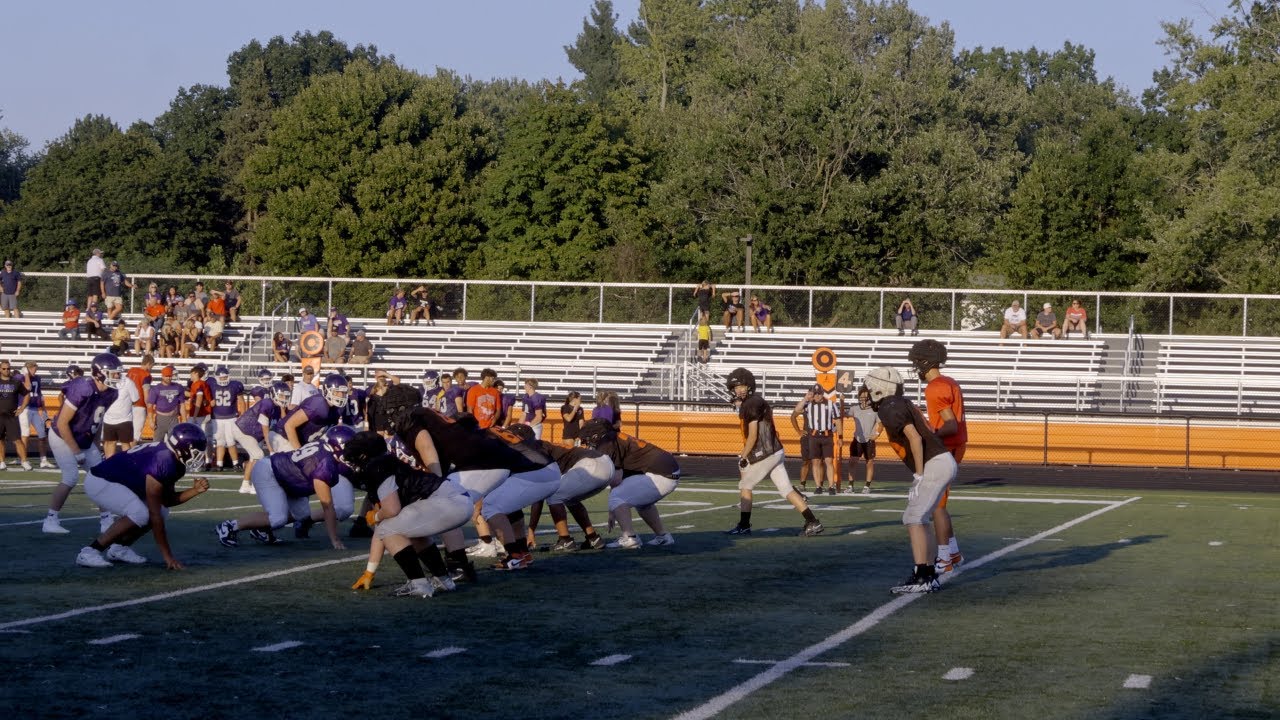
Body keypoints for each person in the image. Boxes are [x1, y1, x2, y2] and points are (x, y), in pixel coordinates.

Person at [862, 366, 957, 594]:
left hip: (935, 464)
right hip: (942, 460)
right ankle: (930, 573)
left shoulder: (888, 406)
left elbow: (914, 438)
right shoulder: (899, 402)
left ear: (878, 388)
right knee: (920, 518)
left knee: (913, 517)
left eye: (868, 387)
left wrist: (919, 474)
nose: (865, 392)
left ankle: (922, 575)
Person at [344, 431, 470, 597]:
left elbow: (390, 511)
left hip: (447, 501)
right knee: (411, 532)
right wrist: (370, 572)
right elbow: (385, 524)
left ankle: (419, 585)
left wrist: (375, 516)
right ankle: (444, 581)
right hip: (456, 500)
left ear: (363, 455)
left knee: (389, 527)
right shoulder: (387, 462)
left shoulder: (377, 466)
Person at [75, 424, 210, 570]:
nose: (200, 455)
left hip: (121, 482)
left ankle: (119, 549)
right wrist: (168, 557)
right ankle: (89, 552)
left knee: (162, 511)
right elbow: (154, 515)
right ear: (182, 448)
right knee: (140, 513)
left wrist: (195, 491)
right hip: (100, 481)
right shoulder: (162, 461)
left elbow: (166, 500)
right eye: (196, 451)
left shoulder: (174, 461)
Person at [215, 427, 352, 550]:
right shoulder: (324, 465)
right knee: (278, 518)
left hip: (288, 478)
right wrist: (335, 540)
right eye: (350, 448)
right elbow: (327, 507)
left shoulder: (324, 449)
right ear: (336, 447)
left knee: (302, 514)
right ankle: (230, 526)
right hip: (270, 472)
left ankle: (261, 530)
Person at [724, 368, 824, 537]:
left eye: (741, 386)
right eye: (735, 387)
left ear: (749, 385)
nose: (738, 390)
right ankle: (812, 521)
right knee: (786, 489)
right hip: (775, 451)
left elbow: (753, 435)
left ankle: (744, 525)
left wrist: (743, 455)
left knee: (745, 486)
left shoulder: (751, 404)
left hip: (765, 453)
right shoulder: (754, 401)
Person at [43, 354, 123, 535]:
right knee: (70, 477)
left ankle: (106, 520)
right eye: (113, 373)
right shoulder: (83, 388)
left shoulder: (112, 393)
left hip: (84, 437)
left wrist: (96, 446)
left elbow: (97, 421)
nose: (117, 377)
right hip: (62, 436)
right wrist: (76, 451)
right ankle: (50, 520)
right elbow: (63, 423)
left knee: (102, 476)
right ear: (99, 373)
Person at [909, 339, 967, 576]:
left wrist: (931, 434)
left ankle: (944, 558)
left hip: (948, 445)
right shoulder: (948, 382)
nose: (915, 367)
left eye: (916, 362)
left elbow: (950, 425)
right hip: (955, 445)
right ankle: (952, 552)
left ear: (925, 362)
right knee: (939, 503)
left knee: (936, 505)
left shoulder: (935, 387)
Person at [578, 418, 680, 548]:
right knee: (642, 503)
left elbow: (616, 479)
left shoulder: (606, 443)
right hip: (667, 471)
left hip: (661, 473)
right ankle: (663, 536)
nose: (587, 444)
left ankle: (630, 537)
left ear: (595, 435)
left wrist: (612, 508)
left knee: (618, 497)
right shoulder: (613, 438)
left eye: (587, 439)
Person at [231, 383, 286, 495]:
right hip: (243, 430)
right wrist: (270, 448)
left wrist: (283, 409)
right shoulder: (267, 404)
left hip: (254, 434)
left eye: (286, 396)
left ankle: (245, 485)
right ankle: (256, 485)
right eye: (281, 396)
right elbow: (265, 429)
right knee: (259, 455)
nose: (284, 399)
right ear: (274, 394)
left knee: (253, 457)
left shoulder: (277, 407)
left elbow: (284, 421)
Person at [794, 384, 840, 495]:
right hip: (814, 436)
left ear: (822, 393)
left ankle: (831, 486)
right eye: (815, 394)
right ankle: (818, 486)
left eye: (819, 393)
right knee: (815, 461)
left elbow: (838, 421)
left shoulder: (830, 404)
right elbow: (797, 409)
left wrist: (840, 436)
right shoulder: (808, 405)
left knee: (829, 461)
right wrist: (806, 397)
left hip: (827, 435)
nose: (818, 396)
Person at [208, 365, 247, 472]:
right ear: (216, 377)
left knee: (231, 441)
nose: (223, 379)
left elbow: (241, 401)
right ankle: (219, 464)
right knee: (220, 442)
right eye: (221, 377)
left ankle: (236, 463)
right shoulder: (211, 384)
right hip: (217, 418)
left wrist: (242, 416)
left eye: (225, 377)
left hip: (231, 417)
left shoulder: (235, 385)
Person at [17, 361, 53, 468]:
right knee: (25, 434)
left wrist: (43, 408)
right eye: (33, 368)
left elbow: (39, 393)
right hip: (24, 408)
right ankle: (23, 459)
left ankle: (44, 460)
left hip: (35, 408)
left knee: (42, 435)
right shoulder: (20, 377)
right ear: (27, 369)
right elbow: (27, 387)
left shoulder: (37, 378)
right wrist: (26, 374)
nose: (35, 371)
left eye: (35, 368)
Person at [848, 387, 882, 494]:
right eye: (861, 396)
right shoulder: (854, 408)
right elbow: (843, 415)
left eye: (865, 397)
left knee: (869, 463)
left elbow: (881, 424)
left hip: (869, 440)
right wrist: (842, 400)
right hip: (857, 439)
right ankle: (850, 486)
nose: (863, 399)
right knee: (852, 462)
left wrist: (876, 435)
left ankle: (867, 486)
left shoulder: (875, 410)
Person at [0, 360, 32, 470]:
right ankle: (2, 462)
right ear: (0, 369)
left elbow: (27, 394)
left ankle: (24, 462)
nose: (6, 370)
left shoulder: (16, 382)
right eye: (4, 368)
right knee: (0, 439)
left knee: (17, 440)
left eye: (8, 368)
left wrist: (22, 408)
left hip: (11, 416)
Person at [149, 365, 185, 440]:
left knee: (174, 442)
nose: (168, 378)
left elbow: (182, 404)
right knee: (157, 443)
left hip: (173, 418)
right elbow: (150, 405)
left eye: (170, 376)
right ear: (162, 376)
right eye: (166, 376)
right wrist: (151, 420)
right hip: (160, 419)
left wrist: (184, 419)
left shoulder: (178, 387)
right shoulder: (156, 389)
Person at [124, 354, 154, 441]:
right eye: (151, 365)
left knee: (127, 434)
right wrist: (149, 409)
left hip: (127, 405)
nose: (151, 368)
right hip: (139, 405)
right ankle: (131, 453)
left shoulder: (131, 370)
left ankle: (125, 452)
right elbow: (146, 394)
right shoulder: (146, 375)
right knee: (136, 435)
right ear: (148, 363)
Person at [185, 365, 212, 438]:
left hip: (200, 414)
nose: (190, 375)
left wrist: (195, 415)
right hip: (204, 413)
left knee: (193, 434)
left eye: (191, 373)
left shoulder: (198, 384)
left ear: (196, 373)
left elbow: (199, 398)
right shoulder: (201, 383)